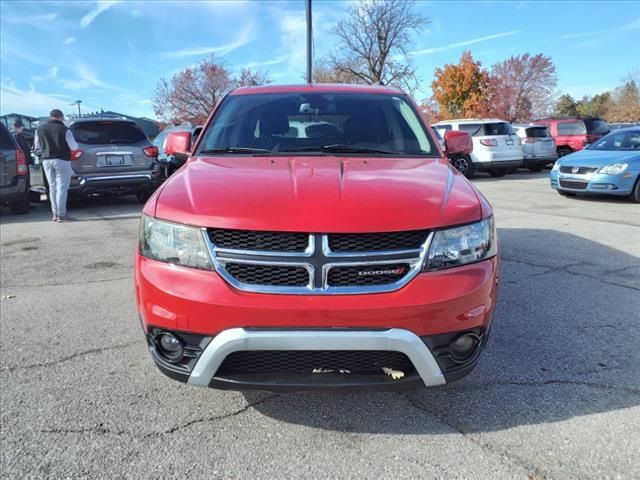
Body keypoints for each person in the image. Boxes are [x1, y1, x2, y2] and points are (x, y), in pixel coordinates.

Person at [34, 109, 78, 222]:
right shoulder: (64, 129)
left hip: (46, 160)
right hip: (62, 159)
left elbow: (37, 147)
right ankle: (62, 214)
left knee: (52, 187)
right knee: (62, 188)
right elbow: (74, 147)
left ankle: (54, 214)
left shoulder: (39, 129)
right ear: (60, 117)